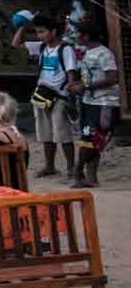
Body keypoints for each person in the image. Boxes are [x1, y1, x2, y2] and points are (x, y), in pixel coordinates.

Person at [21, 14, 79, 180]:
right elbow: (15, 44)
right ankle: (50, 166)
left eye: (42, 31)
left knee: (63, 134)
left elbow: (71, 71)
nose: (39, 35)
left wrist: (69, 89)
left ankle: (70, 167)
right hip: (42, 95)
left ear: (53, 32)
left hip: (60, 96)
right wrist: (22, 27)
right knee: (45, 133)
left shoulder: (65, 49)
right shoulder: (41, 47)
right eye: (37, 32)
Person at [75, 17, 119, 188]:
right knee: (91, 139)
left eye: (78, 33)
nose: (76, 36)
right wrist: (80, 85)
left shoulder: (104, 53)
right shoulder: (88, 52)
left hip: (104, 103)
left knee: (93, 138)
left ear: (86, 35)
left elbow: (112, 78)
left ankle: (79, 171)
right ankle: (91, 178)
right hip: (91, 102)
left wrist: (84, 86)